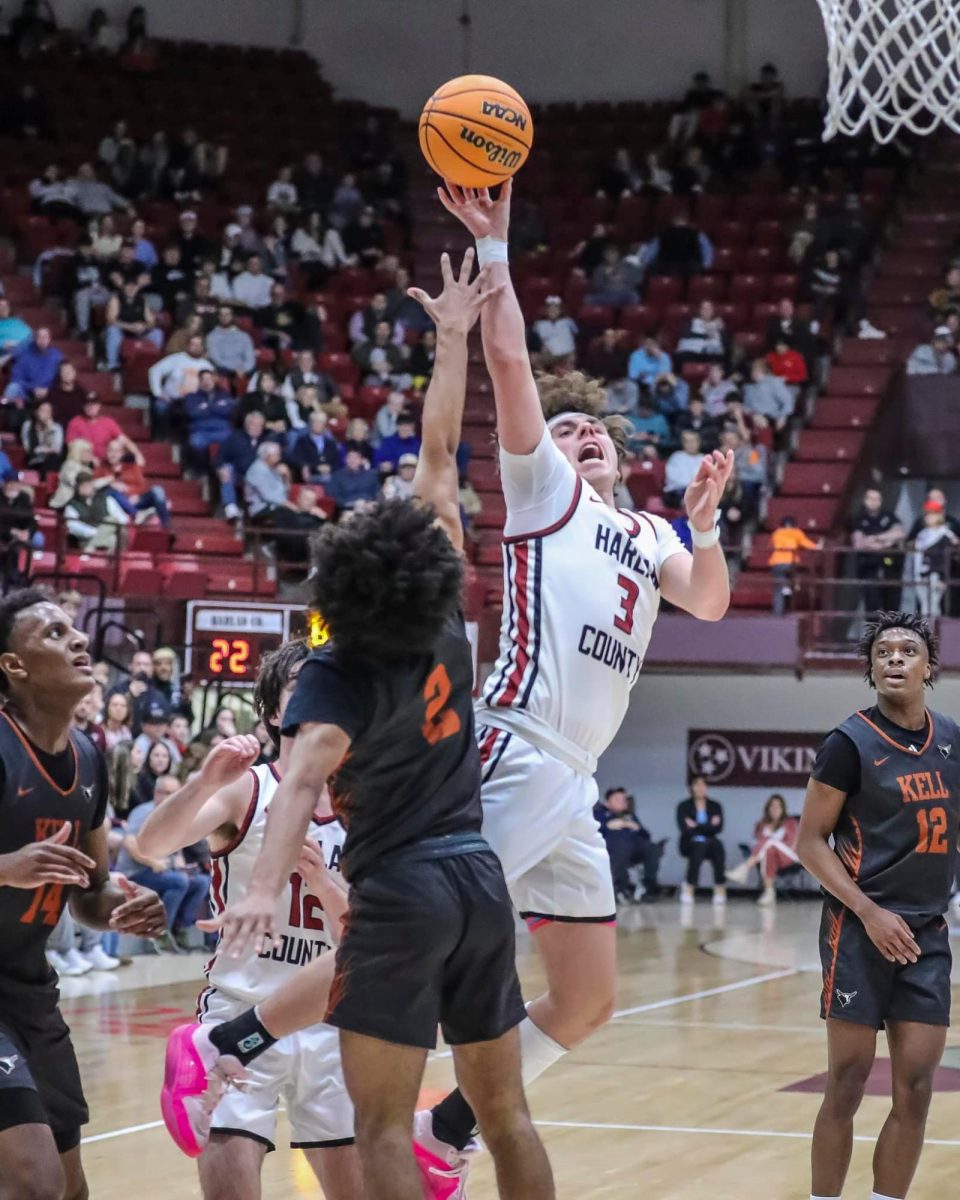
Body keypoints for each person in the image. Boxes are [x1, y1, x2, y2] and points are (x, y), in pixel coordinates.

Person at [159, 248, 555, 1200]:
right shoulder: (448, 627)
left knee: (379, 1126)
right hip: (478, 880)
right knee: (504, 1116)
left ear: (337, 586)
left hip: (403, 892)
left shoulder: (334, 675)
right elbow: (437, 453)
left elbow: (299, 781)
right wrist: (450, 339)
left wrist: (259, 888)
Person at [408, 179, 731, 1195]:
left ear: (624, 460)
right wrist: (498, 252)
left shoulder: (650, 536)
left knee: (588, 998)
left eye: (598, 435)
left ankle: (443, 1125)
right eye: (570, 430)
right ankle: (245, 1042)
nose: (583, 437)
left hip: (573, 776)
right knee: (412, 949)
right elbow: (508, 358)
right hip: (514, 742)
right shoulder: (543, 492)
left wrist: (711, 524)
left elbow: (712, 604)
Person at [138, 641, 361, 1199]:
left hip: (334, 1021)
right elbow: (151, 844)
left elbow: (369, 935)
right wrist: (205, 780)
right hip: (241, 1011)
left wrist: (322, 883)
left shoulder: (368, 805)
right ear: (276, 713)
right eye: (301, 686)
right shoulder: (251, 787)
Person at [0, 589, 165, 1200]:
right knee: (34, 1181)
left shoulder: (90, 757)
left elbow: (90, 895)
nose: (77, 639)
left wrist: (124, 904)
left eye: (75, 630)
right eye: (52, 633)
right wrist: (4, 868)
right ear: (12, 666)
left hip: (29, 991)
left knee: (70, 1189)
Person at [797, 613, 959, 1200]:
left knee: (916, 1086)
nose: (894, 658)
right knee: (848, 1080)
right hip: (858, 928)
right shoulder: (849, 743)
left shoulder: (951, 739)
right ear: (870, 668)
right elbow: (809, 842)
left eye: (907, 650)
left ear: (928, 667)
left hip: (925, 935)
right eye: (883, 651)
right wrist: (868, 911)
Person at [114, 774, 210, 944]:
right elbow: (129, 842)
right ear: (157, 793)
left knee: (201, 882)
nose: (175, 797)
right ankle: (159, 933)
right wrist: (153, 862)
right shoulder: (144, 812)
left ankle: (180, 929)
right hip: (137, 871)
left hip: (164, 870)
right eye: (169, 793)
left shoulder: (176, 813)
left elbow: (176, 844)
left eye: (177, 792)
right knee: (178, 882)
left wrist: (181, 863)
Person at [726, 794, 800, 904]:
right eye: (772, 806)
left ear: (783, 809)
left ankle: (744, 869)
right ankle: (769, 893)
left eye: (778, 807)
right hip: (769, 856)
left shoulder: (791, 823)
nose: (775, 810)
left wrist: (772, 842)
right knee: (768, 850)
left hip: (790, 855)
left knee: (770, 842)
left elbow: (793, 844)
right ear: (768, 808)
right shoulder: (761, 824)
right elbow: (757, 843)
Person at [594, 786, 661, 903]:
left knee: (652, 848)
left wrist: (636, 827)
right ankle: (619, 889)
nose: (622, 802)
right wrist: (609, 826)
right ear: (607, 802)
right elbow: (594, 833)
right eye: (617, 799)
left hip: (635, 846)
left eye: (624, 800)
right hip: (613, 847)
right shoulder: (600, 814)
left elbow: (646, 835)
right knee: (621, 845)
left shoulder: (630, 816)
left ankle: (647, 888)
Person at [851, 488, 905, 615]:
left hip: (891, 567)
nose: (874, 502)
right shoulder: (858, 518)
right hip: (869, 567)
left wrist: (876, 538)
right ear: (865, 501)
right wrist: (887, 541)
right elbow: (859, 543)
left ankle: (890, 633)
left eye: (877, 499)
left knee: (892, 606)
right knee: (872, 606)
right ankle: (873, 634)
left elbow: (900, 533)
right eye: (871, 498)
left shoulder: (889, 516)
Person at [676, 776, 726, 904]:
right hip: (689, 843)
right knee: (699, 845)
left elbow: (718, 829)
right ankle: (689, 887)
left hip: (711, 843)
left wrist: (696, 825)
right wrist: (708, 825)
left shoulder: (715, 806)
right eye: (697, 785)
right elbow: (686, 829)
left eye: (703, 785)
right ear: (691, 788)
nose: (700, 788)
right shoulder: (683, 806)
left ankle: (719, 886)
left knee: (718, 845)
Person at [768, 514, 823, 615]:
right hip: (790, 563)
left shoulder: (776, 533)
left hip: (777, 563)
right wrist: (817, 546)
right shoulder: (796, 532)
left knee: (777, 588)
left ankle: (777, 613)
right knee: (793, 579)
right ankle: (789, 587)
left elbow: (771, 545)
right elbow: (806, 544)